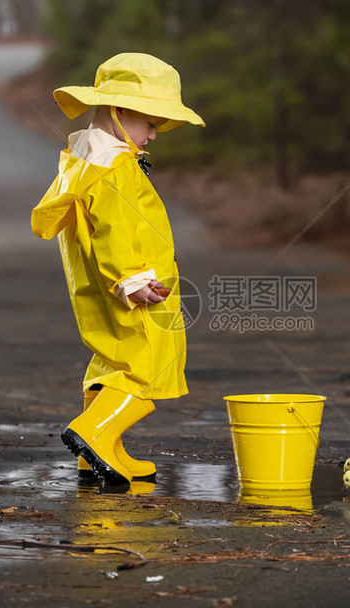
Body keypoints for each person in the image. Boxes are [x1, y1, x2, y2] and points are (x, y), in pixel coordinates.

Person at [31, 53, 205, 487]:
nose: (153, 134)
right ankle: (93, 432)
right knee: (147, 368)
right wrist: (133, 279)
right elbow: (116, 225)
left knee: (111, 358)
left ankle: (100, 454)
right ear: (120, 110)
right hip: (133, 283)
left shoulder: (84, 157)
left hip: (98, 285)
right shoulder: (116, 167)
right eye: (152, 123)